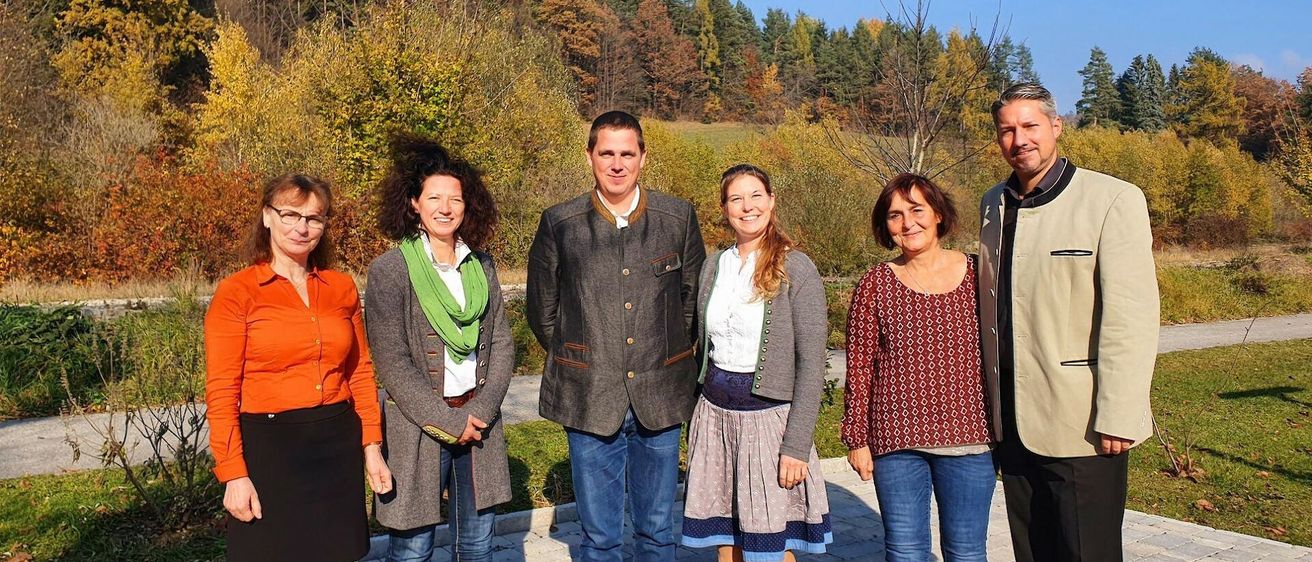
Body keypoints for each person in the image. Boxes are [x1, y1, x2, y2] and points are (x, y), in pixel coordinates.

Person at [980, 82, 1159, 562]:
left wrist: (1119, 412)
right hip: (1013, 425)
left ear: (1057, 127)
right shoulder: (992, 205)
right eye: (1007, 130)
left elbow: (1132, 317)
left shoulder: (1112, 199)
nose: (1020, 140)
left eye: (1030, 126)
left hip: (1082, 423)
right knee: (1033, 553)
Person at [526, 110, 706, 562]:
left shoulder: (677, 217)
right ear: (590, 156)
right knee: (600, 538)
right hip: (589, 396)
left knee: (658, 532)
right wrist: (585, 358)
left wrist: (663, 354)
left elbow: (692, 304)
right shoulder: (560, 223)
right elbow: (543, 312)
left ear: (643, 157)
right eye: (607, 152)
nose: (617, 163)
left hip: (660, 396)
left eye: (628, 153)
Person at [204, 174, 391, 562]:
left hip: (336, 444)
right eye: (290, 214)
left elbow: (359, 371)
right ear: (267, 217)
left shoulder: (341, 288)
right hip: (270, 450)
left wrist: (371, 448)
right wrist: (233, 474)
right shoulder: (237, 293)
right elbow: (222, 390)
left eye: (314, 218)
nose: (302, 227)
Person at [365, 135, 514, 562]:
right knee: (413, 550)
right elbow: (392, 363)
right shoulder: (390, 271)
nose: (445, 208)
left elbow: (501, 342)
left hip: (480, 423)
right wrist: (448, 421)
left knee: (478, 546)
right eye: (434, 197)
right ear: (414, 202)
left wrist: (481, 412)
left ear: (469, 206)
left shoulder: (481, 265)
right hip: (417, 426)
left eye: (456, 199)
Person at [840, 173, 996, 561]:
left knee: (966, 552)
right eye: (895, 215)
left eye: (916, 210)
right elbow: (860, 365)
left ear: (938, 213)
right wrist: (857, 439)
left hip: (970, 439)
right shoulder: (875, 283)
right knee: (906, 551)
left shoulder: (980, 274)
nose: (908, 223)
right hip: (897, 442)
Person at [680, 164, 832, 562]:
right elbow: (701, 344)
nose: (747, 207)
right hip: (715, 419)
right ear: (724, 208)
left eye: (755, 196)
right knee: (726, 543)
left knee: (769, 548)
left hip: (770, 424)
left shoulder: (796, 267)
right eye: (736, 199)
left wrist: (796, 445)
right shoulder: (714, 265)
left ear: (771, 201)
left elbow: (813, 363)